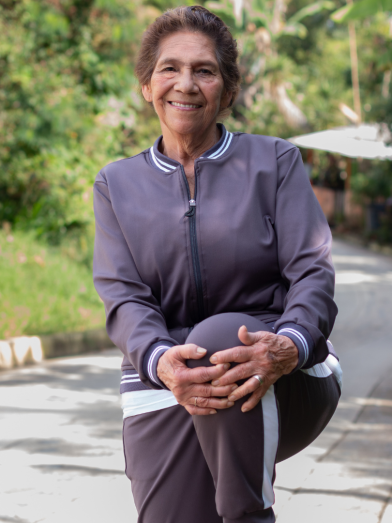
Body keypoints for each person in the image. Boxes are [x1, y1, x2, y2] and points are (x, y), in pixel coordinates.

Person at [93, 6, 342, 523]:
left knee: (224, 334)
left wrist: (291, 343)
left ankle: (249, 514)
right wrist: (160, 359)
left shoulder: (274, 162)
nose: (185, 83)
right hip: (165, 378)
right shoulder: (115, 184)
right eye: (169, 68)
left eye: (204, 70)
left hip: (279, 367)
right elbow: (123, 296)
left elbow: (312, 271)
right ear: (146, 85)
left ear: (227, 91)